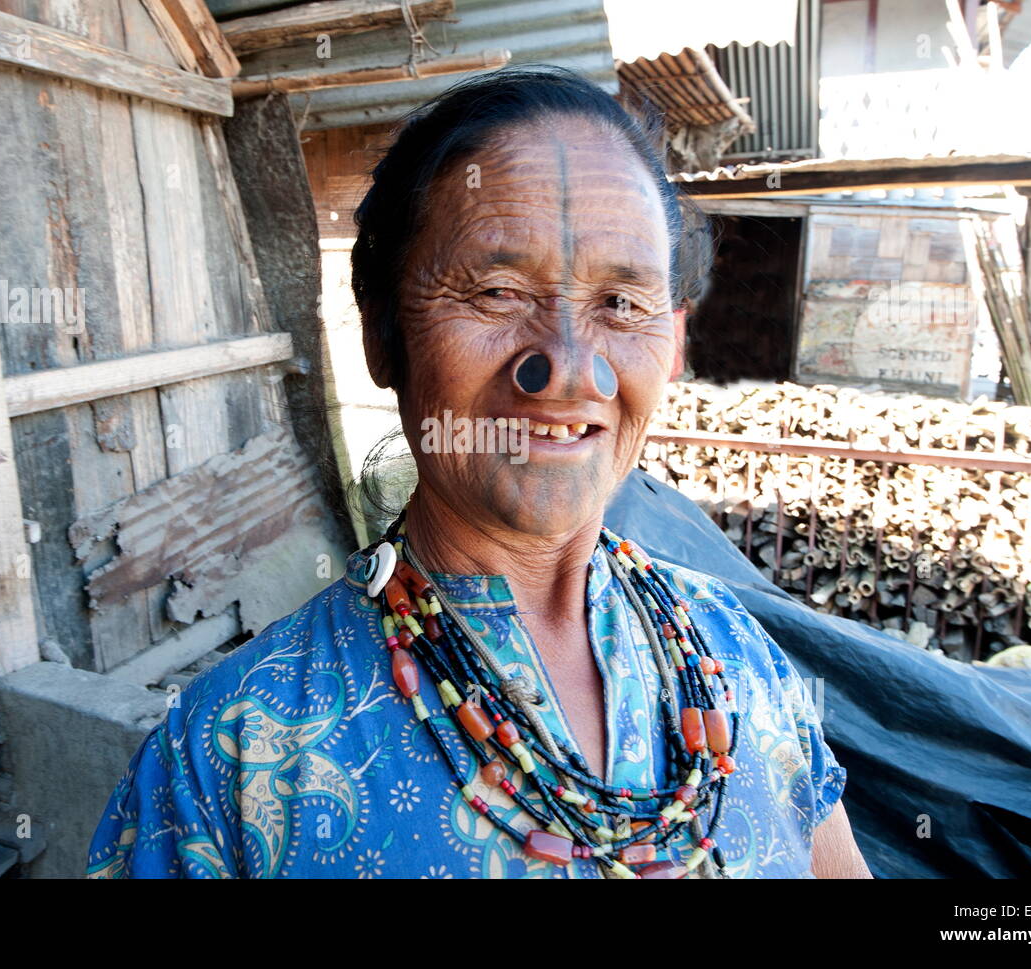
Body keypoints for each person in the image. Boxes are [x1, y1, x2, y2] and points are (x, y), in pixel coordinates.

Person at [87, 65, 871, 879]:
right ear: (383, 336)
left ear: (670, 342)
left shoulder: (740, 659)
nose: (568, 369)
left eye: (622, 304)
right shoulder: (233, 757)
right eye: (496, 290)